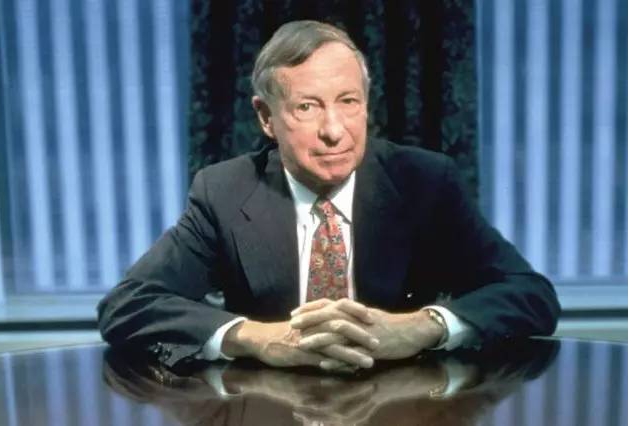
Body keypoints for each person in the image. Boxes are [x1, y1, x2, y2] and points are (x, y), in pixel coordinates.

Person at [97, 20, 560, 372]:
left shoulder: (424, 182)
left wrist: (422, 327)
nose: (334, 131)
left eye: (348, 102)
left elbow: (531, 295)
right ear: (266, 118)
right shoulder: (225, 191)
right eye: (307, 107)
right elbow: (128, 305)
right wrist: (254, 337)